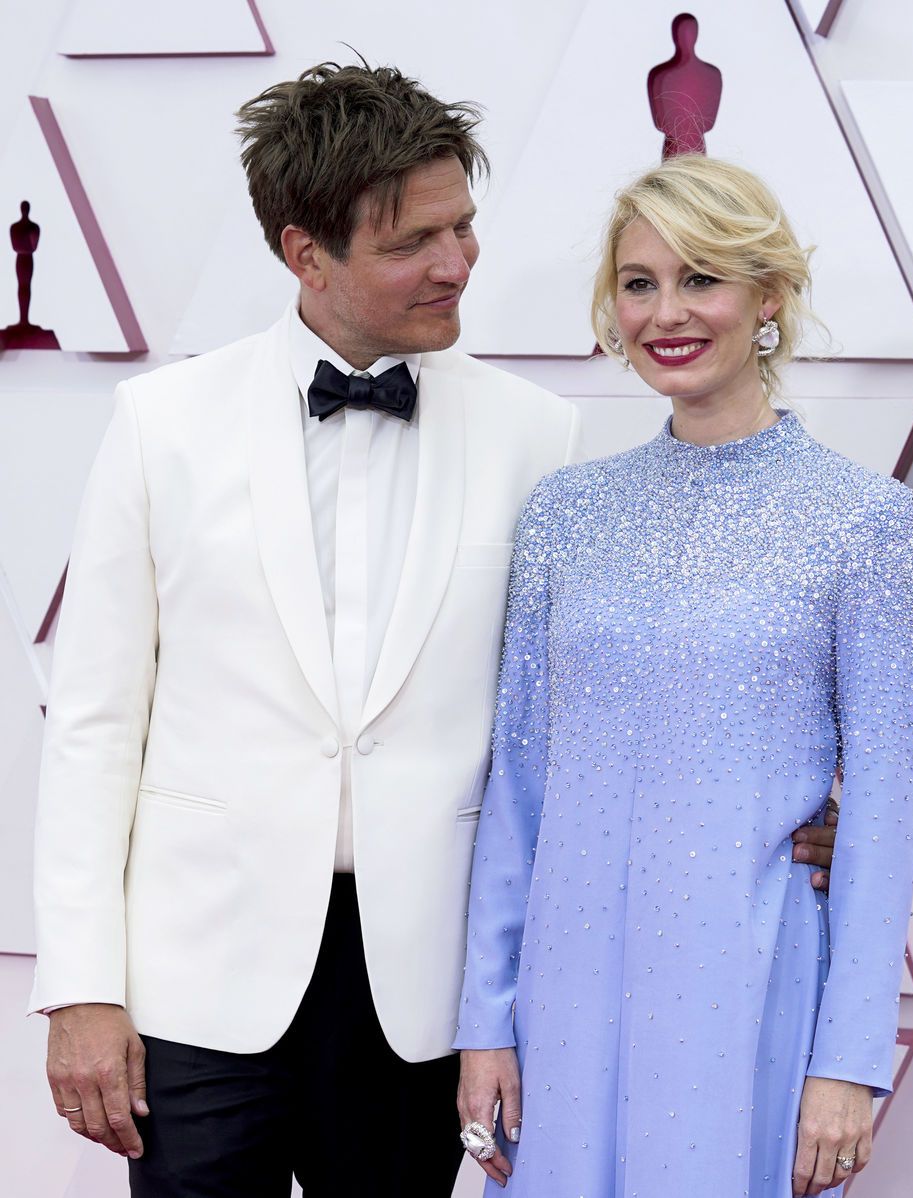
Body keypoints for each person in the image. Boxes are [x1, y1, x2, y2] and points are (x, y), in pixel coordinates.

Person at [31, 64, 838, 1196]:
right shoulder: (160, 424)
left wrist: (798, 803)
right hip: (194, 984)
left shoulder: (538, 439)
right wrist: (81, 985)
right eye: (416, 241)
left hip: (427, 993)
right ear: (305, 252)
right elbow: (94, 725)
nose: (457, 263)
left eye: (463, 227)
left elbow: (614, 703)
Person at [455, 155, 913, 1198]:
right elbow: (518, 791)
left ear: (768, 298)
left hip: (749, 990)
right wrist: (484, 1022)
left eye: (701, 278)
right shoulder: (564, 514)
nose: (664, 312)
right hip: (564, 1000)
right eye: (638, 283)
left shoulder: (864, 523)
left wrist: (846, 1064)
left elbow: (887, 814)